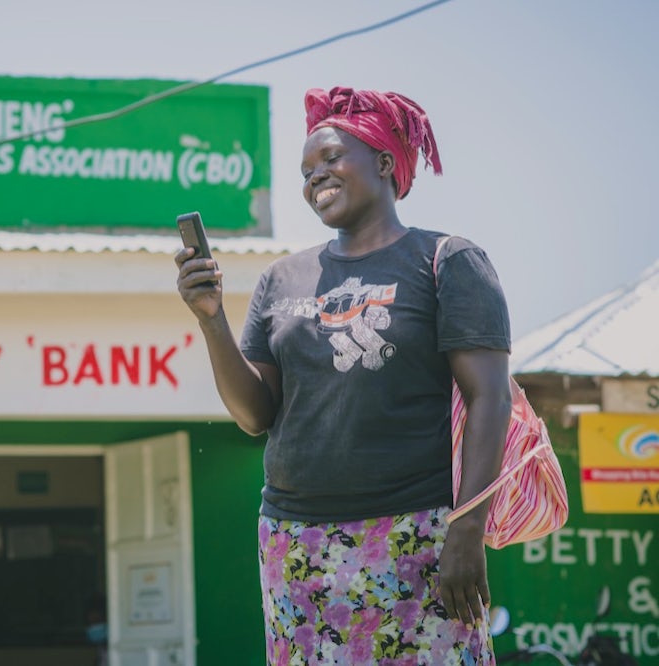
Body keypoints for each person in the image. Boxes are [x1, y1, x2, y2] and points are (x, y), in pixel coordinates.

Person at [174, 86, 512, 664]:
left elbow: (490, 399)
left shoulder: (448, 260)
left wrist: (466, 528)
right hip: (295, 541)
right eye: (306, 170)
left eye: (330, 159)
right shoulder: (282, 279)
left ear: (384, 162)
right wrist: (211, 321)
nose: (315, 178)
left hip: (416, 532)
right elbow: (255, 414)